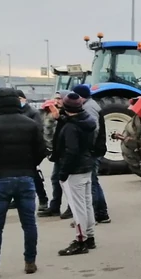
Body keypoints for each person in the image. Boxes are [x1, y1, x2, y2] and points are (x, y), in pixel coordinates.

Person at [0, 87, 45, 279]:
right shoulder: (30, 124)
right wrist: (30, 165)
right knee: (29, 224)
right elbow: (41, 150)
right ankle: (30, 262)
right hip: (25, 177)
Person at [54, 93, 97, 255]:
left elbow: (71, 150)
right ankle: (90, 236)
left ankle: (81, 241)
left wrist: (63, 172)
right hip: (87, 165)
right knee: (86, 204)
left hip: (74, 170)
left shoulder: (71, 127)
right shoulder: (87, 121)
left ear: (66, 108)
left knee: (77, 207)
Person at [72, 84, 110, 224]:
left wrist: (87, 147)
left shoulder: (89, 107)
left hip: (93, 151)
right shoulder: (89, 105)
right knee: (93, 182)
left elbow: (93, 129)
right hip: (94, 150)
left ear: (80, 96)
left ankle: (98, 214)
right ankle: (100, 213)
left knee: (92, 183)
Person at [16, 89, 49, 212]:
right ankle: (17, 199)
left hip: (29, 149)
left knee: (34, 175)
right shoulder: (14, 112)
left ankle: (43, 199)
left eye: (20, 99)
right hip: (17, 149)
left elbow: (38, 130)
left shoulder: (33, 112)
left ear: (24, 99)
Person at [38, 93, 67, 217]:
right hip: (57, 153)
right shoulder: (51, 113)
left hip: (66, 153)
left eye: (60, 98)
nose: (57, 101)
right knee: (55, 179)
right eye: (56, 98)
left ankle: (72, 207)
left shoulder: (68, 114)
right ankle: (55, 206)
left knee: (67, 182)